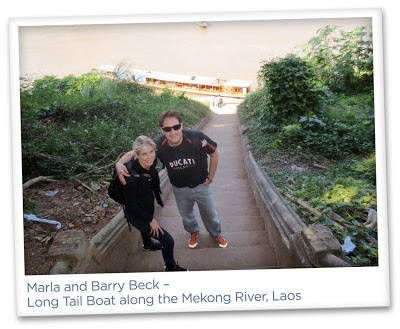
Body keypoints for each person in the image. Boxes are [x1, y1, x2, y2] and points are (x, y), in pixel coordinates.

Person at [116, 109, 228, 250]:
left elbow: (214, 153)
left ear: (181, 125)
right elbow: (134, 153)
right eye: (167, 129)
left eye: (176, 127)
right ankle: (194, 231)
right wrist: (119, 163)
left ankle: (215, 233)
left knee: (210, 213)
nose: (173, 132)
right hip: (180, 189)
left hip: (201, 185)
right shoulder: (158, 145)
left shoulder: (196, 138)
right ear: (162, 130)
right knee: (186, 215)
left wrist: (210, 177)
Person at [122, 135, 187, 272]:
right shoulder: (130, 177)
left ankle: (148, 245)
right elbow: (131, 206)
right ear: (137, 155)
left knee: (148, 226)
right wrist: (151, 220)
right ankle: (171, 268)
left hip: (146, 205)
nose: (149, 157)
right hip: (135, 213)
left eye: (151, 152)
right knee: (168, 241)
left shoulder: (149, 163)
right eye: (144, 154)